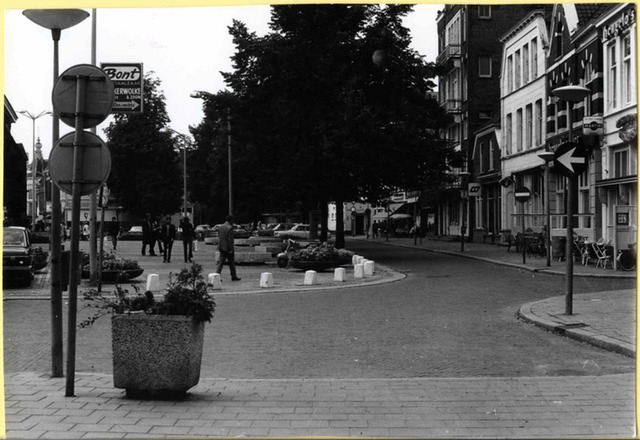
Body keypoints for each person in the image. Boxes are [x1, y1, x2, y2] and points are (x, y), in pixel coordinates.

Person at [216, 214, 241, 281]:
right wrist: (231, 249)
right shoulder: (230, 228)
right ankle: (234, 276)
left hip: (221, 246)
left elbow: (219, 237)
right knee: (232, 263)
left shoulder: (221, 227)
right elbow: (230, 240)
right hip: (227, 248)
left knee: (221, 262)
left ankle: (217, 275)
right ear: (231, 220)